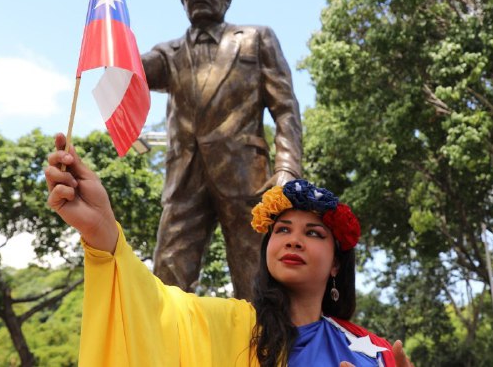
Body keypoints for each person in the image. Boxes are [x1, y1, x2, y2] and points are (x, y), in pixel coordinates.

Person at [45, 133, 414, 366]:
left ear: (336, 264)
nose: (293, 239)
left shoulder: (373, 354)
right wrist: (102, 229)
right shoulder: (227, 328)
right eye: (282, 229)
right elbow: (149, 310)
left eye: (314, 233)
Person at [140, 0, 303, 300]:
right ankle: (166, 350)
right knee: (168, 276)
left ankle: (268, 350)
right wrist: (109, 19)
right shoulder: (167, 54)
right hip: (184, 179)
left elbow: (285, 109)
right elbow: (129, 70)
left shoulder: (256, 39)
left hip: (245, 177)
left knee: (256, 277)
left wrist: (287, 168)